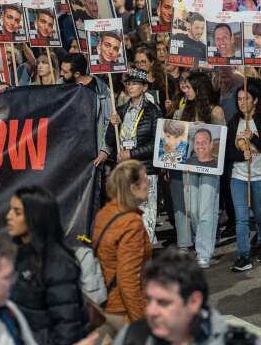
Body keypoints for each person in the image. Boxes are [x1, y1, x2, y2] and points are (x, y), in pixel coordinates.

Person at [5, 186, 88, 345]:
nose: (9, 216)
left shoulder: (58, 263)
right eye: (10, 210)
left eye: (17, 212)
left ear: (35, 216)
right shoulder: (20, 253)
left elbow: (67, 326)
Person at [111, 247, 231, 345]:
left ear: (194, 302)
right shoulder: (131, 336)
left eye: (163, 302)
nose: (150, 311)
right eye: (148, 300)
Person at [92, 161, 152, 333]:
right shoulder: (131, 223)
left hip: (107, 306)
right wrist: (141, 325)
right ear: (132, 188)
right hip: (124, 312)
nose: (148, 182)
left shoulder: (105, 213)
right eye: (144, 179)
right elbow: (128, 280)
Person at [225, 82, 261, 272]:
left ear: (255, 100)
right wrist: (241, 155)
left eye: (245, 98)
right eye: (238, 99)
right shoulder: (233, 122)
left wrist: (253, 138)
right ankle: (243, 255)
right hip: (238, 177)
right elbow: (228, 151)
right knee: (242, 218)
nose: (241, 102)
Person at [107, 70, 161, 243]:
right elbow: (110, 140)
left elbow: (156, 143)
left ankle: (145, 258)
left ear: (144, 87)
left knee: (147, 215)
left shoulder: (153, 111)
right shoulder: (121, 110)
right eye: (128, 83)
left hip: (146, 170)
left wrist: (131, 153)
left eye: (135, 83)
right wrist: (111, 124)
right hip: (125, 171)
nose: (131, 87)